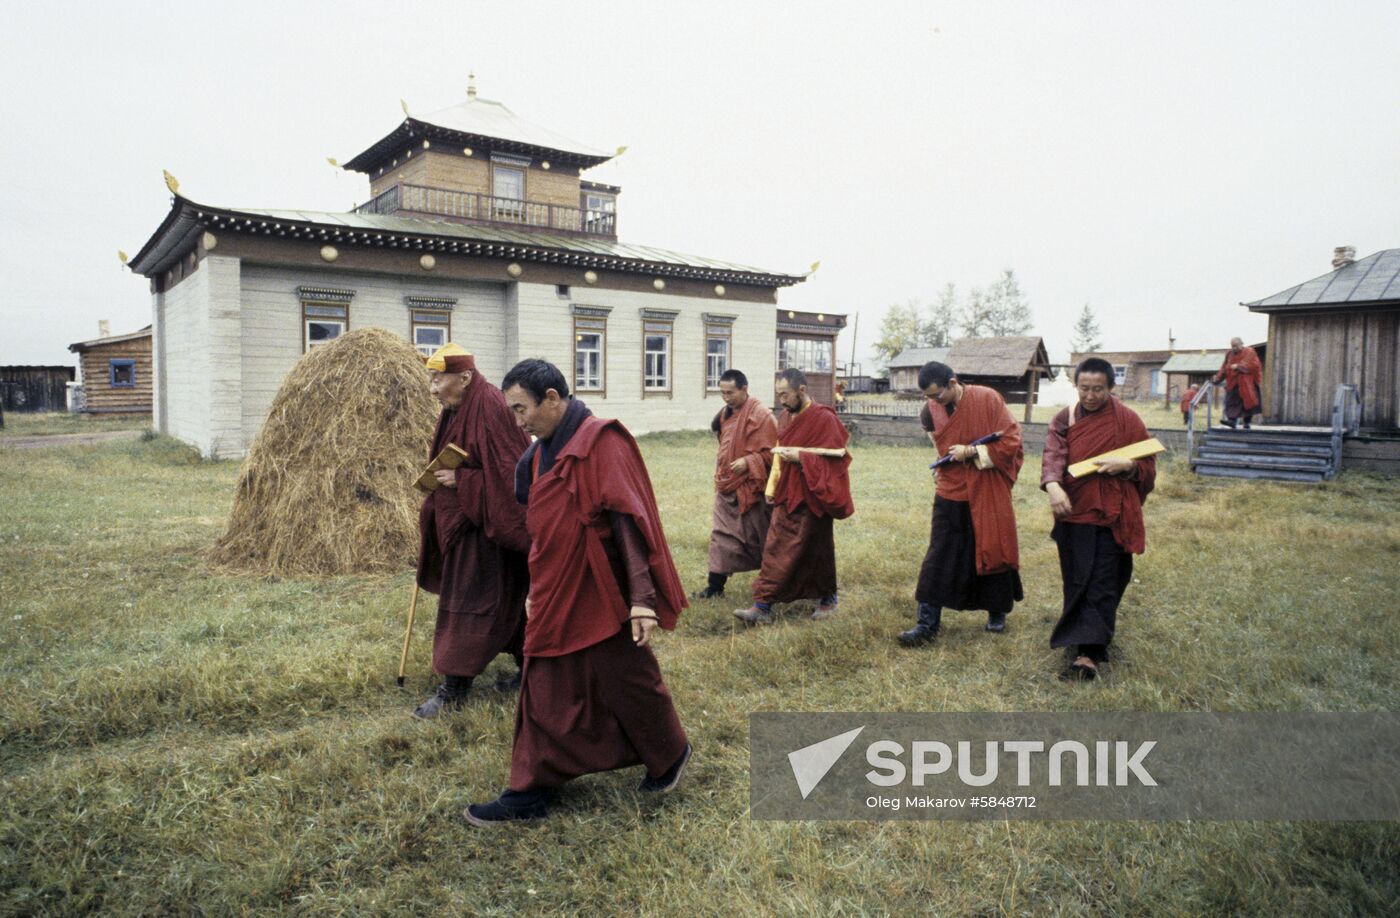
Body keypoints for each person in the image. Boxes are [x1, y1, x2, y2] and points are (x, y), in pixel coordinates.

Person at [465, 359, 690, 826]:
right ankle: (530, 788)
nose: (517, 421)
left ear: (552, 398)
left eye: (522, 408)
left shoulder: (601, 441)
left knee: (626, 675)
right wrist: (537, 585)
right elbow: (544, 528)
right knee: (544, 676)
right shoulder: (536, 455)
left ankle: (670, 753)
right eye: (511, 411)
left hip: (603, 587)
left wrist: (642, 599)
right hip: (557, 585)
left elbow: (629, 522)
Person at [413, 343, 531, 718]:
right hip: (468, 521)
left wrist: (462, 481)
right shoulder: (457, 405)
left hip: (488, 527)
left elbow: (513, 473)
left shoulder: (493, 407)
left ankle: (454, 689)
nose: (432, 389)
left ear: (464, 377)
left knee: (467, 603)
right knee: (506, 605)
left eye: (437, 379)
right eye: (430, 379)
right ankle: (530, 671)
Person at [1041, 357, 1157, 680]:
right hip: (1075, 511)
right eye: (1084, 388)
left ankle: (1088, 655)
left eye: (1098, 389)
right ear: (1076, 386)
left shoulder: (1127, 420)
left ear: (1111, 387)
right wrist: (1053, 486)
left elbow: (1147, 465)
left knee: (1103, 580)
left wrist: (1128, 466)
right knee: (1078, 577)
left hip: (1112, 513)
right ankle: (1080, 637)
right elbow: (1053, 455)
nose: (1090, 396)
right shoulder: (1064, 418)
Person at [899, 362, 1024, 647]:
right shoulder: (929, 412)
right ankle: (926, 624)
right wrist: (941, 465)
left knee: (991, 546)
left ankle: (997, 613)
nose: (934, 402)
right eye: (928, 397)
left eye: (938, 395)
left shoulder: (987, 399)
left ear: (953, 383)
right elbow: (939, 446)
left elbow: (1012, 441)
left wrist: (972, 451)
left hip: (985, 486)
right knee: (939, 553)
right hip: (951, 489)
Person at [734, 368, 854, 625]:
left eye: (785, 394)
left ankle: (827, 598)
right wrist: (772, 488)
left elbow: (838, 459)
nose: (781, 400)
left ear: (801, 390)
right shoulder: (786, 418)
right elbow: (779, 455)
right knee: (776, 546)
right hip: (789, 492)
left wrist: (802, 458)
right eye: (778, 395)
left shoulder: (824, 418)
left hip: (815, 494)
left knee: (816, 549)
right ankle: (762, 605)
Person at [692, 369, 778, 600]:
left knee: (761, 537)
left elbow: (773, 454)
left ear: (744, 389)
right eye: (722, 393)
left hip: (752, 489)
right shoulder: (725, 414)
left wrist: (751, 462)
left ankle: (772, 584)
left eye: (730, 392)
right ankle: (714, 587)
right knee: (720, 536)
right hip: (727, 485)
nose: (726, 397)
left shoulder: (762, 416)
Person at [1212, 337, 1262, 429]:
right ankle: (1232, 421)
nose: (1234, 348)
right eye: (1232, 346)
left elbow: (1255, 366)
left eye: (1235, 346)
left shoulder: (1250, 352)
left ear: (1241, 344)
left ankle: (1247, 423)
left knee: (1248, 403)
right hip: (1233, 382)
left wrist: (1239, 366)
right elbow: (1224, 367)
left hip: (1248, 383)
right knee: (1231, 401)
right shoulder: (1229, 354)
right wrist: (1217, 379)